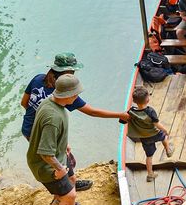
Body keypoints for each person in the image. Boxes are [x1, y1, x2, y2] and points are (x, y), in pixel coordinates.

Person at [21, 53, 129, 191]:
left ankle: (69, 181)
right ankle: (63, 189)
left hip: (28, 128)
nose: (74, 74)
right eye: (73, 71)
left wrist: (38, 118)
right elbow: (92, 112)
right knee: (60, 160)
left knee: (61, 158)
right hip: (45, 132)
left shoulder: (37, 79)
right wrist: (120, 114)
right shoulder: (64, 93)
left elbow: (24, 103)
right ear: (66, 72)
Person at [27, 74, 93, 205]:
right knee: (69, 195)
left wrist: (63, 144)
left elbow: (45, 133)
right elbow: (45, 153)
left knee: (72, 178)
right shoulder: (53, 117)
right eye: (76, 94)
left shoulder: (49, 102)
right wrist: (58, 169)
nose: (77, 97)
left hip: (58, 154)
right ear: (67, 95)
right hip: (47, 164)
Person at [126, 86, 174, 182]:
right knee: (164, 136)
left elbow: (123, 121)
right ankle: (168, 151)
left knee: (149, 156)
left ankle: (150, 175)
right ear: (147, 100)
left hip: (144, 138)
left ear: (134, 101)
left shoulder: (131, 112)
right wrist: (165, 130)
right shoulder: (150, 111)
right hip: (155, 134)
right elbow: (157, 124)